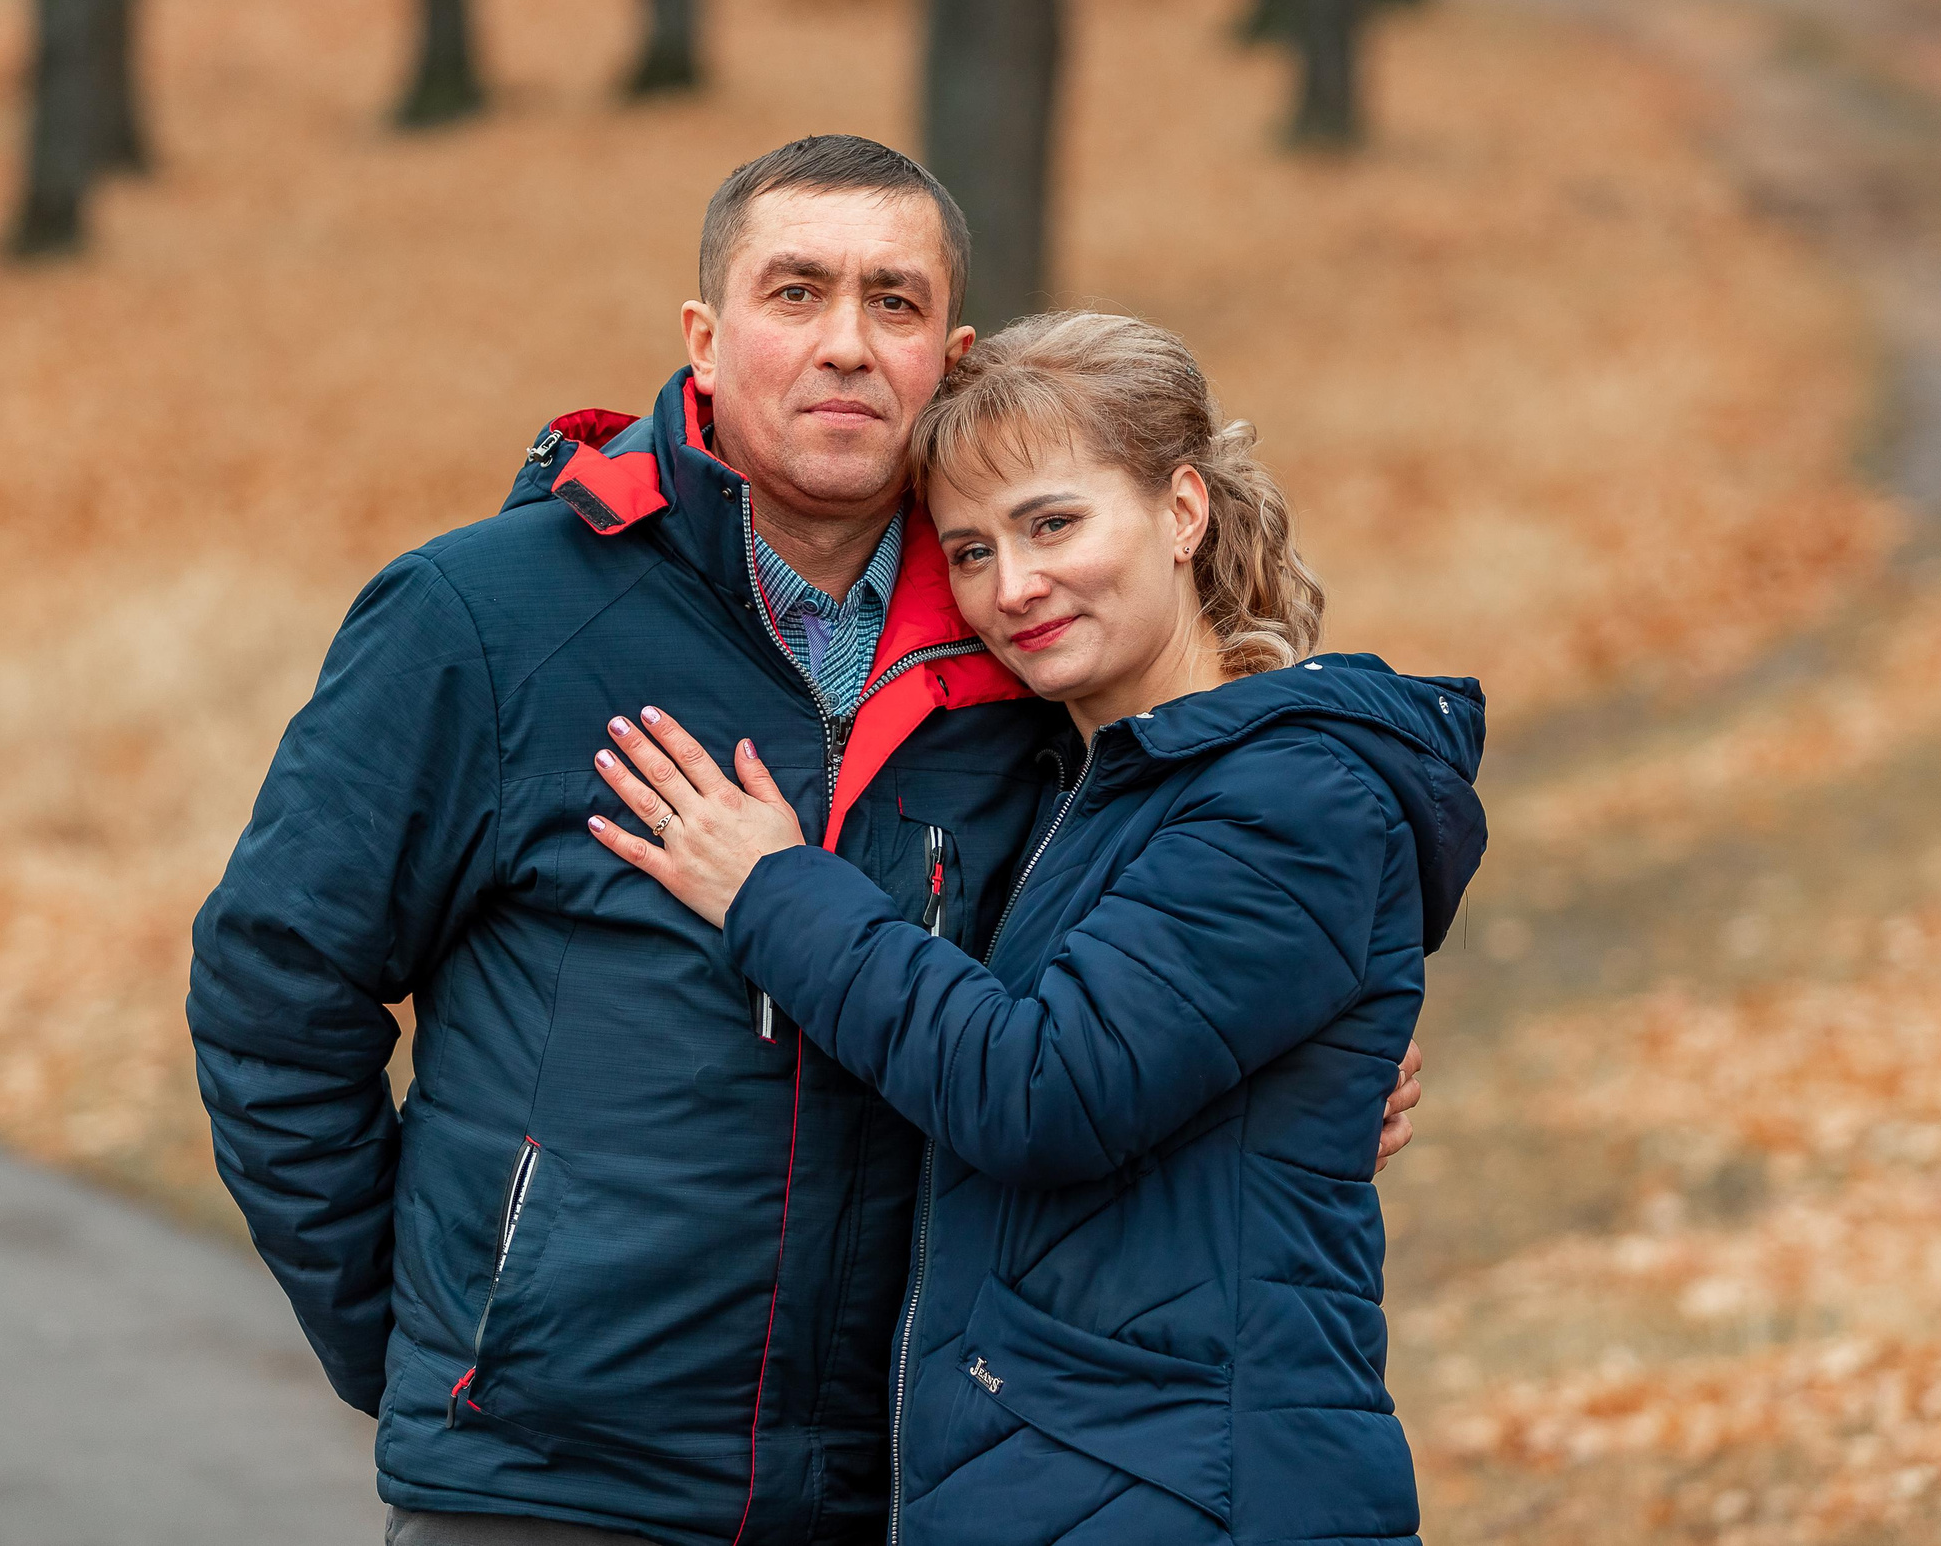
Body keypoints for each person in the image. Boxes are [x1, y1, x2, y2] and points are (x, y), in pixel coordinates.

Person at [190, 138, 1421, 1546]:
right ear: (706, 339)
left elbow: (1085, 1025)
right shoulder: (487, 617)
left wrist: (1304, 1079)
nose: (846, 341)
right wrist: (432, 1340)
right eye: (797, 292)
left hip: (891, 1483)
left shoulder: (1019, 655)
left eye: (893, 303)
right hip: (553, 1488)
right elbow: (273, 987)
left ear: (945, 357)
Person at [583, 311, 1484, 1546]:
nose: (1011, 588)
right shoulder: (1091, 793)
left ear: (1180, 512)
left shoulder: (1292, 792)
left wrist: (771, 889)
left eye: (1052, 523)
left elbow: (1040, 1088)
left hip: (1188, 1490)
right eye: (967, 551)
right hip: (1078, 1477)